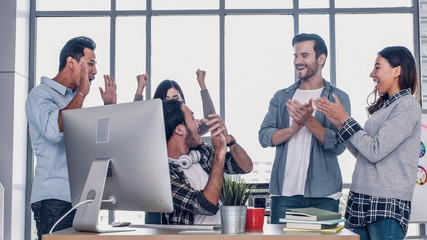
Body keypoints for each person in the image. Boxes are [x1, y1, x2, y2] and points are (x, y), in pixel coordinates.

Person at [314, 46, 421, 240]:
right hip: (361, 199)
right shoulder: (385, 108)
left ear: (397, 71)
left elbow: (375, 150)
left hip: (386, 204)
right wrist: (339, 123)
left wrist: (345, 119)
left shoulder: (407, 106)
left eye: (377, 67)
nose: (372, 74)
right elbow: (364, 153)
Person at [25, 36, 117, 239]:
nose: (94, 71)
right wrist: (82, 94)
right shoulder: (40, 95)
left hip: (81, 199)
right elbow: (54, 131)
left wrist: (108, 108)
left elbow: (94, 142)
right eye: (90, 64)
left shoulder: (72, 99)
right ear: (71, 62)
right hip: (53, 200)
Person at [258, 33, 351, 224]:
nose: (298, 61)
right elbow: (264, 137)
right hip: (284, 196)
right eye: (295, 55)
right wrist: (292, 130)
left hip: (323, 196)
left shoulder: (337, 98)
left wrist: (309, 120)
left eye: (304, 55)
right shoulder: (282, 97)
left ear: (321, 59)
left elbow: (339, 146)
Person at [162, 99, 253, 224]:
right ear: (179, 130)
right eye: (193, 118)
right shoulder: (164, 175)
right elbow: (206, 206)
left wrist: (229, 140)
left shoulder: (203, 151)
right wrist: (219, 153)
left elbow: (246, 167)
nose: (199, 123)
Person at [134, 69, 215, 135]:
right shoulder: (154, 127)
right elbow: (135, 124)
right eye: (166, 100)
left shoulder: (190, 126)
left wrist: (202, 84)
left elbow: (210, 120)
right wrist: (140, 88)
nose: (172, 104)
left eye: (176, 99)